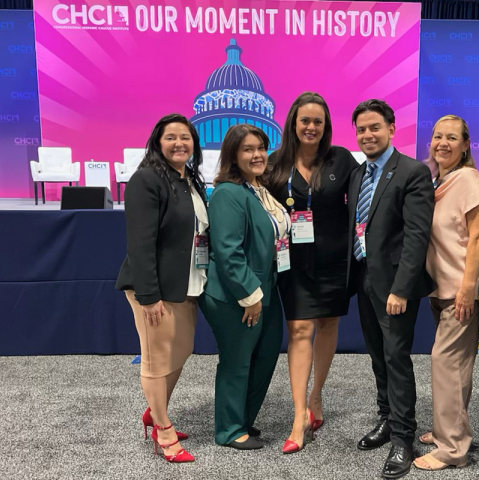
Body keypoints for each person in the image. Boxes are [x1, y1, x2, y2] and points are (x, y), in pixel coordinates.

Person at [347, 99, 435, 479]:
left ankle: (403, 438)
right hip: (365, 277)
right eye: (362, 130)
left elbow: (417, 236)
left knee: (397, 358)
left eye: (374, 128)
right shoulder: (358, 174)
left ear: (391, 129)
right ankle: (386, 418)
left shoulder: (412, 172)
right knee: (377, 355)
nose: (367, 135)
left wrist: (401, 289)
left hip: (395, 286)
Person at [267, 92, 359, 453]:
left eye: (318, 121)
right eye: (305, 120)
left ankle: (316, 396)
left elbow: (363, 200)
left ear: (326, 126)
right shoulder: (275, 163)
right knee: (300, 329)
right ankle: (297, 414)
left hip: (336, 261)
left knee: (329, 325)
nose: (311, 127)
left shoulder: (341, 159)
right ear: (293, 123)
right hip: (293, 263)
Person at [116, 113, 207, 463]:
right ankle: (164, 432)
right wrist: (148, 296)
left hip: (186, 285)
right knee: (156, 360)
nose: (179, 143)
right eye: (171, 137)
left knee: (180, 352)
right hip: (153, 289)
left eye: (186, 137)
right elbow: (140, 243)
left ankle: (155, 412)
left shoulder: (189, 180)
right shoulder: (146, 179)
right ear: (158, 142)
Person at [199, 124, 290, 450]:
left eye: (261, 148)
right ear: (233, 156)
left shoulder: (258, 190)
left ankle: (243, 418)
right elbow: (227, 250)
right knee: (237, 361)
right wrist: (248, 295)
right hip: (236, 295)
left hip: (266, 289)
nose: (257, 155)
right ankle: (228, 429)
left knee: (265, 357)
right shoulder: (228, 193)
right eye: (248, 149)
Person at [412, 115, 479, 471]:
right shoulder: (435, 181)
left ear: (465, 145)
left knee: (445, 365)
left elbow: (478, 237)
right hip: (439, 290)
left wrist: (468, 290)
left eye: (452, 138)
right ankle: (452, 430)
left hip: (460, 290)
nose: (443, 142)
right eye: (437, 136)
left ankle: (451, 450)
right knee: (456, 368)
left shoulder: (468, 179)